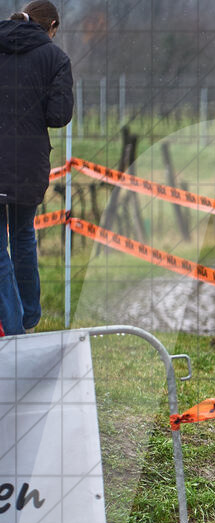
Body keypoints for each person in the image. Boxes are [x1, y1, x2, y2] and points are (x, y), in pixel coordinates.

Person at [0, 1, 72, 336]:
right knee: (24, 236)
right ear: (52, 25)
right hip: (27, 162)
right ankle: (28, 318)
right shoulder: (55, 59)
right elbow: (58, 116)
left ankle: (12, 328)